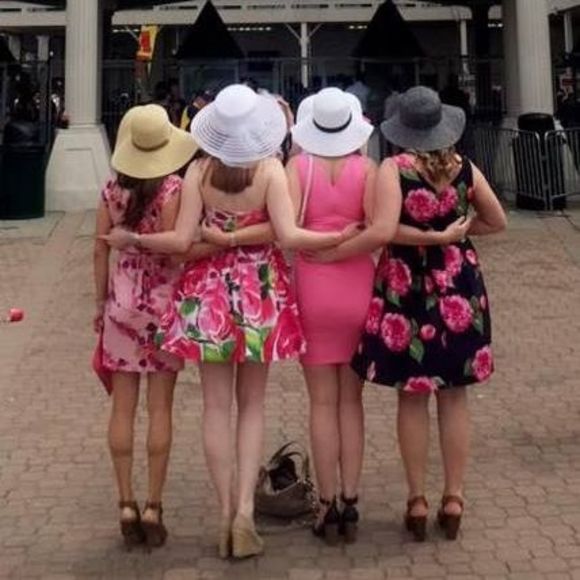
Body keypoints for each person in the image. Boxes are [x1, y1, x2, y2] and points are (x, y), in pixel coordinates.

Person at [101, 84, 358, 559]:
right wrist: (335, 237)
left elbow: (182, 241)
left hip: (207, 294)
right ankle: (244, 510)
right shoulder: (269, 170)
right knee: (252, 406)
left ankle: (224, 514)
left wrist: (138, 239)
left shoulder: (199, 171)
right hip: (259, 291)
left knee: (215, 408)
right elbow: (289, 235)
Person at [351, 86, 507, 542]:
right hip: (459, 284)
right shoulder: (465, 168)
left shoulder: (395, 169)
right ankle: (454, 496)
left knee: (412, 394)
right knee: (454, 396)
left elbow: (384, 230)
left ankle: (417, 498)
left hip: (407, 287)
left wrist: (428, 238)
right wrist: (455, 234)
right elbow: (497, 220)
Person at [288, 87, 399, 544]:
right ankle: (351, 499)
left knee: (321, 403)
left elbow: (287, 232)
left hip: (311, 285)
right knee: (352, 402)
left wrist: (323, 244)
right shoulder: (368, 169)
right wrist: (344, 242)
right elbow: (376, 229)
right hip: (358, 283)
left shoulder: (297, 167)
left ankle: (327, 501)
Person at [93, 104, 197, 550]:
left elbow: (99, 249)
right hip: (162, 305)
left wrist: (99, 303)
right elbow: (175, 249)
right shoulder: (173, 189)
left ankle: (125, 501)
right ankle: (154, 504)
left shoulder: (110, 190)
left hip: (120, 303)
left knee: (122, 408)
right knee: (160, 409)